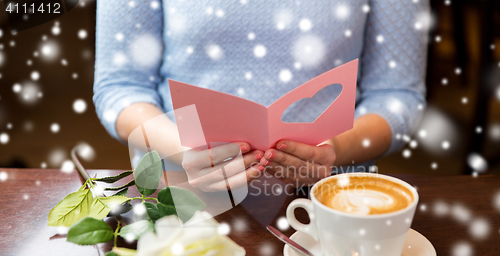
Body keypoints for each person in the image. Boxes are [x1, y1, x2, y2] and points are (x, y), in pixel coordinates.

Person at [94, 0, 428, 190]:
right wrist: (182, 150)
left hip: (329, 195)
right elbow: (120, 87)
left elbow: (398, 96)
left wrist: (335, 150)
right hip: (181, 192)